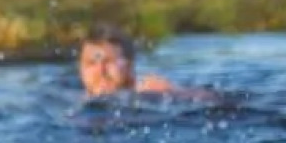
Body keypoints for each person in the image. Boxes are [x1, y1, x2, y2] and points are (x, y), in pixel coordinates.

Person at [77, 24, 218, 101]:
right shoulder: (69, 103)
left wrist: (175, 93)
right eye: (91, 63)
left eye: (109, 62)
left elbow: (214, 100)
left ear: (129, 67)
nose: (100, 70)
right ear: (81, 69)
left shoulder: (150, 94)